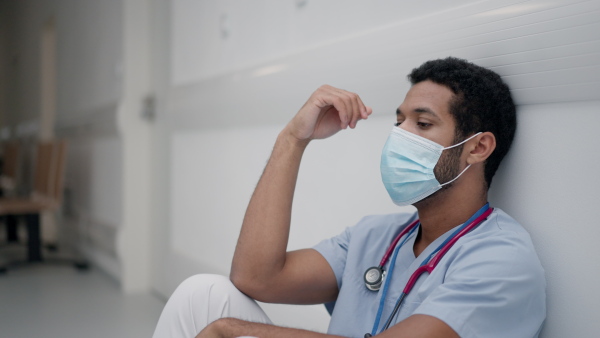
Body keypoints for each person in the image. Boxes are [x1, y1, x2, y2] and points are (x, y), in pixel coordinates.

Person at [153, 57, 546, 338]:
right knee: (203, 296)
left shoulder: (502, 259)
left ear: (477, 149)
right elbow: (256, 278)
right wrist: (293, 139)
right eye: (399, 122)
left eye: (422, 124)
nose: (400, 137)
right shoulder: (377, 237)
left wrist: (232, 330)